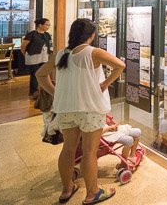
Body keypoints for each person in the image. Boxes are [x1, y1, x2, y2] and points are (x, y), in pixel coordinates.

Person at [36, 19, 125, 205]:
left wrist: (56, 92)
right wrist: (106, 83)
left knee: (68, 149)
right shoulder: (93, 52)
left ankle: (67, 189)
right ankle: (93, 193)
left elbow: (40, 75)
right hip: (90, 109)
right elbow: (120, 66)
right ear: (91, 35)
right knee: (89, 152)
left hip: (66, 109)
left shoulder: (61, 53)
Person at [21, 18, 52, 99]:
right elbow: (23, 46)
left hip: (44, 56)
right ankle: (33, 91)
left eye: (49, 25)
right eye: (47, 25)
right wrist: (25, 54)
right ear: (40, 25)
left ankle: (43, 90)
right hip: (33, 57)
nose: (48, 26)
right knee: (34, 74)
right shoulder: (32, 34)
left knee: (43, 73)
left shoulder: (47, 35)